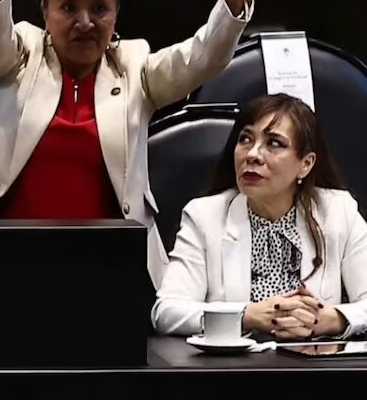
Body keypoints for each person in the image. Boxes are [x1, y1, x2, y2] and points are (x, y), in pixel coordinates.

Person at [0, 0, 277, 288]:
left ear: (116, 15)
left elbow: (201, 58)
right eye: (68, 6)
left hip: (110, 272)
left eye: (99, 8)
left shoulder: (133, 65)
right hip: (11, 263)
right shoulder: (19, 56)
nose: (84, 22)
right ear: (44, 10)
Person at [152, 94, 367, 339]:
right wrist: (247, 315)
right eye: (245, 139)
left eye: (274, 143)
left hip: (315, 369)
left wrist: (334, 320)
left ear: (305, 164)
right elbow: (167, 312)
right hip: (234, 372)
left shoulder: (339, 211)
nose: (252, 154)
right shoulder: (204, 215)